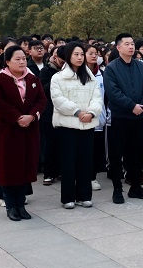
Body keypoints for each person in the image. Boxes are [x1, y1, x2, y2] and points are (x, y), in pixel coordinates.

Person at [0, 45, 46, 221]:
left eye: (23, 59)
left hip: (29, 130)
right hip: (7, 131)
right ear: (7, 61)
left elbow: (41, 100)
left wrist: (32, 116)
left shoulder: (32, 79)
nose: (22, 62)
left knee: (25, 167)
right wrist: (17, 117)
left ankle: (21, 204)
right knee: (8, 168)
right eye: (17, 59)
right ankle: (10, 205)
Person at [104, 33, 143, 203]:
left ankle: (135, 187)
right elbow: (113, 93)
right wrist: (131, 106)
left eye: (132, 44)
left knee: (137, 154)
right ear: (118, 47)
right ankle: (117, 189)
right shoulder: (111, 68)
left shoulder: (141, 66)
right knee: (116, 155)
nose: (131, 47)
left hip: (138, 117)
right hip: (120, 117)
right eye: (127, 44)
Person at [51, 42, 103, 209]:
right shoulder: (58, 77)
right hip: (67, 127)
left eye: (81, 54)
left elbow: (97, 98)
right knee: (68, 163)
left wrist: (91, 113)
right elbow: (58, 100)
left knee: (85, 162)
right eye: (76, 54)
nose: (80, 58)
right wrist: (77, 112)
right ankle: (68, 197)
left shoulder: (90, 77)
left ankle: (84, 195)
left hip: (87, 125)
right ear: (68, 56)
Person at [39, 45, 65, 185]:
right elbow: (43, 90)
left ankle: (61, 171)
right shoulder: (46, 71)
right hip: (49, 112)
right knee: (50, 144)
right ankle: (48, 173)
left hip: (65, 112)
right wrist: (57, 77)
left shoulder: (71, 72)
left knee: (63, 144)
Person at [85, 44, 108, 191]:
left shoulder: (102, 73)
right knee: (84, 150)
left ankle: (92, 177)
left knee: (95, 151)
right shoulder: (77, 73)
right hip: (82, 117)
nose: (94, 56)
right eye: (91, 53)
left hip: (99, 119)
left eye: (96, 53)